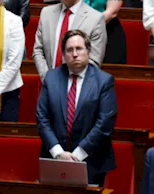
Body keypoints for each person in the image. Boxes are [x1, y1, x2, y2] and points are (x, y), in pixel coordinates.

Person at [36, 29, 118, 185]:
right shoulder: (51, 78)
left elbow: (104, 124)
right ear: (63, 54)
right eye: (69, 50)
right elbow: (42, 119)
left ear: (88, 51)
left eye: (79, 49)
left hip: (92, 161)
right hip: (55, 159)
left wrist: (78, 155)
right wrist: (59, 153)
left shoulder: (104, 81)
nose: (74, 54)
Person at [35, 0, 108, 74]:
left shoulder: (95, 19)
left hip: (77, 86)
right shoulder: (46, 13)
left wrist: (69, 83)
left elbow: (94, 60)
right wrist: (48, 79)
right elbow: (38, 50)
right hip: (48, 83)